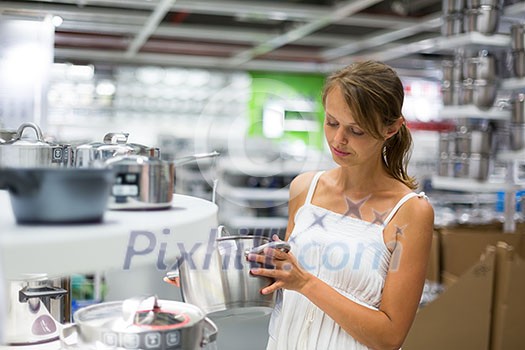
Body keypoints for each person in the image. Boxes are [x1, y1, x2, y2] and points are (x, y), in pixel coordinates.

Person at [247, 60, 434, 350]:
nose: (338, 139)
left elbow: (389, 337)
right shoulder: (305, 188)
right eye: (332, 122)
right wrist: (216, 279)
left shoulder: (410, 212)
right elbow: (285, 285)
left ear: (391, 128)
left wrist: (306, 283)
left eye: (356, 131)